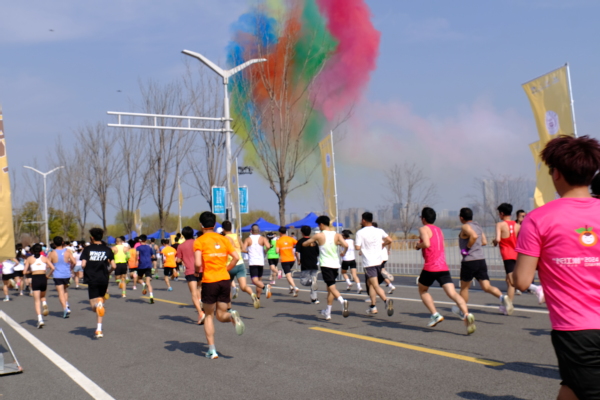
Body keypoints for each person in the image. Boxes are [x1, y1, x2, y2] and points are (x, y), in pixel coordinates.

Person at [514, 135, 600, 400]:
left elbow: (522, 281)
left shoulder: (538, 219)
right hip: (581, 329)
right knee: (572, 387)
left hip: (576, 328)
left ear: (557, 173)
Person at [415, 207, 476, 334]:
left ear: (423, 219)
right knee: (453, 293)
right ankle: (466, 314)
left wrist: (418, 245)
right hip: (443, 266)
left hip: (430, 266)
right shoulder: (439, 230)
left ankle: (435, 315)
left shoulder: (423, 229)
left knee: (422, 290)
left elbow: (426, 244)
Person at [194, 212, 246, 359]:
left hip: (210, 281)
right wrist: (226, 268)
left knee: (209, 316)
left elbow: (197, 262)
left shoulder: (199, 241)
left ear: (201, 225)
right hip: (224, 280)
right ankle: (231, 316)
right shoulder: (224, 239)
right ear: (215, 224)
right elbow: (236, 257)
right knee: (221, 315)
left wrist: (197, 272)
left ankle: (212, 350)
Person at [457, 207, 513, 316]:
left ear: (461, 218)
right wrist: (475, 245)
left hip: (469, 261)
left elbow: (473, 236)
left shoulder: (465, 226)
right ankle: (502, 297)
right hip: (481, 260)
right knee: (486, 286)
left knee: (464, 288)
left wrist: (466, 248)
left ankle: (463, 312)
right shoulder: (478, 226)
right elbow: (484, 241)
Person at [302, 216, 349, 320]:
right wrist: (343, 252)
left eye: (319, 225)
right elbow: (346, 245)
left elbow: (304, 243)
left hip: (326, 264)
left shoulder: (319, 235)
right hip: (335, 264)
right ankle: (328, 312)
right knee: (330, 288)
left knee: (331, 286)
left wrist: (310, 243)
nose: (319, 227)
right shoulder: (337, 235)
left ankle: (342, 301)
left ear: (322, 224)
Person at [355, 212, 394, 316]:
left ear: (363, 220)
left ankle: (386, 301)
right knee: (370, 284)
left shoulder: (360, 232)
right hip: (378, 262)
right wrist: (383, 244)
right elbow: (390, 240)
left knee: (375, 285)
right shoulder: (379, 230)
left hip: (369, 263)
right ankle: (373, 306)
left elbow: (357, 247)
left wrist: (363, 247)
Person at [80, 228, 116, 339]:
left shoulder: (87, 249)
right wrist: (108, 272)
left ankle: (97, 305)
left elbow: (83, 264)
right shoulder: (107, 249)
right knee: (101, 302)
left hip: (92, 278)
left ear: (92, 238)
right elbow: (114, 266)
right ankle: (99, 329)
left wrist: (87, 268)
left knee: (93, 306)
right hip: (104, 278)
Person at [222, 221, 260, 309]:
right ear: (231, 228)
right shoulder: (237, 236)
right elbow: (243, 249)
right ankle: (252, 294)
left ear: (223, 229)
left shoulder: (224, 238)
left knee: (227, 288)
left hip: (230, 264)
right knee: (243, 286)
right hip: (240, 264)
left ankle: (229, 308)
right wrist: (248, 252)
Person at [176, 226, 206, 325]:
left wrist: (181, 259)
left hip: (190, 271)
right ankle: (200, 301)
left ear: (183, 235)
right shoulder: (198, 242)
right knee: (199, 288)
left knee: (193, 293)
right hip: (201, 269)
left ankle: (200, 312)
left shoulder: (181, 246)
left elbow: (178, 260)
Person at [23, 244, 55, 328]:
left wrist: (31, 271)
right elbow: (53, 268)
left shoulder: (29, 259)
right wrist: (48, 276)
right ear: (41, 250)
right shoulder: (44, 258)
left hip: (35, 278)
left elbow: (24, 272)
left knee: (37, 301)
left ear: (32, 250)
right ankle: (44, 302)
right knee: (43, 296)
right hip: (43, 278)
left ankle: (40, 319)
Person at [242, 224, 272, 303]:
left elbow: (243, 249)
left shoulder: (248, 239)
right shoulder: (263, 238)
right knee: (259, 281)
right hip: (260, 262)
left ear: (251, 231)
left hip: (253, 262)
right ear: (259, 230)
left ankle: (265, 287)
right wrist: (265, 251)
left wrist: (248, 252)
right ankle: (258, 298)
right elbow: (268, 246)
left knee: (254, 281)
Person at [48, 236, 76, 318]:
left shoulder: (52, 253)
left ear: (54, 243)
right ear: (62, 242)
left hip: (57, 275)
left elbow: (48, 264)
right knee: (65, 290)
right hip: (67, 274)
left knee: (60, 292)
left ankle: (65, 308)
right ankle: (66, 304)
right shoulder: (67, 251)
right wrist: (71, 268)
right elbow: (74, 262)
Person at [296, 225, 321, 304]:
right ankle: (314, 298)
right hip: (314, 263)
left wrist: (298, 260)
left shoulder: (300, 241)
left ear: (302, 232)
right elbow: (318, 253)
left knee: (303, 281)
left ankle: (311, 282)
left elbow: (297, 252)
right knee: (314, 281)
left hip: (305, 264)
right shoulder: (314, 242)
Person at [372, 222, 396, 293]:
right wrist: (388, 250)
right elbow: (389, 241)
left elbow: (389, 241)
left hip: (380, 257)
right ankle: (389, 285)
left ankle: (389, 284)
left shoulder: (374, 235)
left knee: (378, 273)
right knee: (380, 271)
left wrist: (383, 245)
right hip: (384, 257)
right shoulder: (380, 234)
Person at [276, 226, 300, 296]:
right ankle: (291, 287)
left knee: (288, 275)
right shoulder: (291, 239)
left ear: (280, 232)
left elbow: (277, 251)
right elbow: (298, 244)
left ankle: (295, 287)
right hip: (292, 259)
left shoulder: (279, 241)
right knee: (288, 274)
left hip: (284, 260)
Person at [136, 235, 155, 303]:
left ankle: (143, 284)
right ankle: (151, 296)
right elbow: (153, 256)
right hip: (148, 265)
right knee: (148, 283)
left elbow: (137, 256)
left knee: (138, 279)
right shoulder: (149, 247)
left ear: (140, 240)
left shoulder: (138, 248)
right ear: (146, 240)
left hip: (141, 265)